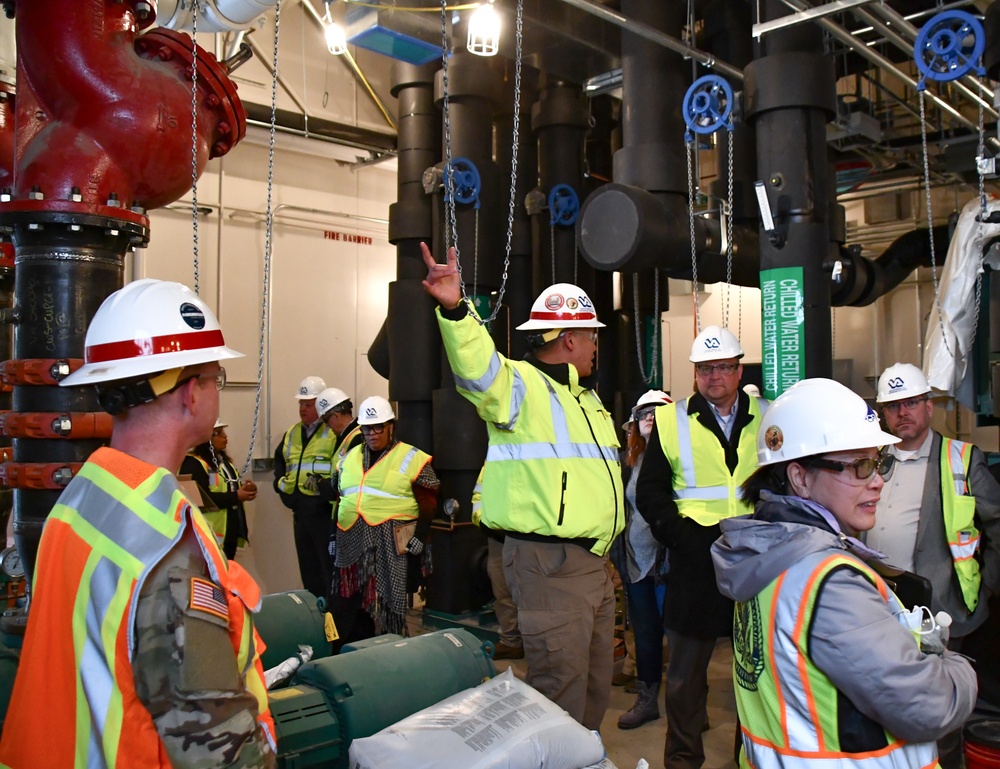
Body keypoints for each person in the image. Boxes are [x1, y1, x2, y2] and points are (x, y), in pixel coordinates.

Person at [0, 279, 275, 768]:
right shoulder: (165, 547)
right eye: (216, 377)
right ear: (192, 393)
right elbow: (217, 751)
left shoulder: (80, 499)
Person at [712, 378, 977, 769]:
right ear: (800, 477)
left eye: (878, 462)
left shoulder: (764, 555)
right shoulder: (827, 581)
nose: (877, 481)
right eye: (859, 467)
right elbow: (930, 705)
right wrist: (955, 666)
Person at [422, 242, 624, 732]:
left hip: (593, 563)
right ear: (571, 338)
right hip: (550, 565)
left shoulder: (586, 401)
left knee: (596, 686)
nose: (597, 345)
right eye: (592, 335)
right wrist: (456, 309)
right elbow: (477, 372)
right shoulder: (523, 389)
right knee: (559, 695)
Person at [635, 325, 762, 769]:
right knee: (686, 676)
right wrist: (683, 539)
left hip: (756, 558)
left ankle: (752, 758)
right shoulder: (671, 421)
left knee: (757, 673)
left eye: (724, 367)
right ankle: (683, 760)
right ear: (694, 374)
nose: (715, 377)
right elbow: (649, 493)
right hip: (695, 559)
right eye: (705, 369)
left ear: (738, 368)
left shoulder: (767, 417)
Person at [872, 362, 1000, 768]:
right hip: (877, 606)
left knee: (938, 711)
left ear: (929, 406)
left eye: (911, 402)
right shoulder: (871, 458)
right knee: (885, 703)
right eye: (893, 406)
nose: (902, 413)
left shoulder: (960, 459)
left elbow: (998, 524)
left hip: (939, 609)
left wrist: (988, 590)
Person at [330, 395, 439, 646]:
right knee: (350, 604)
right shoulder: (348, 458)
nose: (372, 433)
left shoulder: (411, 457)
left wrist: (420, 537)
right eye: (367, 428)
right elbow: (340, 498)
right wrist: (332, 536)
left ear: (391, 427)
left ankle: (393, 649)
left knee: (390, 605)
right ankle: (353, 648)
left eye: (378, 427)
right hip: (352, 542)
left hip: (390, 546)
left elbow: (429, 501)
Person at [613, 389, 672, 730]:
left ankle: (691, 705)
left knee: (680, 637)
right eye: (644, 412)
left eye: (658, 412)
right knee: (647, 634)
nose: (650, 417)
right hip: (637, 562)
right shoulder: (628, 463)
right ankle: (647, 700)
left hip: (671, 564)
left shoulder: (684, 459)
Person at [273, 375, 338, 598]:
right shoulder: (292, 433)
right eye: (301, 403)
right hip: (300, 512)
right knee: (308, 570)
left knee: (327, 570)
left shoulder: (332, 433)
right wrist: (281, 487)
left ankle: (331, 619)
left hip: (323, 513)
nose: (302, 408)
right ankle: (313, 615)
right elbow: (280, 462)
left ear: (320, 405)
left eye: (308, 404)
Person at [181, 418, 257, 560]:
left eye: (223, 432)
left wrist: (245, 489)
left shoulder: (224, 462)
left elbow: (230, 487)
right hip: (209, 535)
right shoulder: (194, 464)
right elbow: (202, 499)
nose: (225, 436)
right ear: (206, 438)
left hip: (230, 531)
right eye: (219, 433)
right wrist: (237, 496)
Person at [472, 466, 524, 660]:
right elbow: (479, 494)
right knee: (502, 591)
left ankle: (534, 643)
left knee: (529, 593)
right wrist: (486, 524)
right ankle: (511, 642)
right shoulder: (494, 457)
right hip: (497, 536)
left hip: (526, 537)